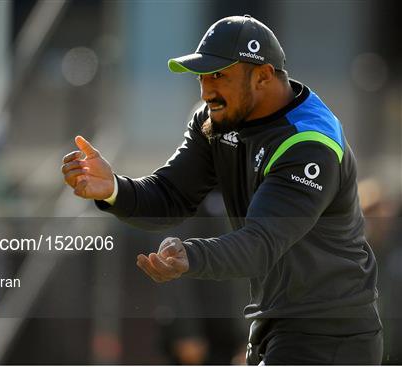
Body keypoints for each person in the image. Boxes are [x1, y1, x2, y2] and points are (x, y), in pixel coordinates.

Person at [61, 15, 382, 365]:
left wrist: (191, 256)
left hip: (332, 335)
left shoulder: (309, 144)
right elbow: (171, 195)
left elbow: (260, 245)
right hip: (273, 325)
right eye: (202, 76)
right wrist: (114, 189)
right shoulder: (215, 121)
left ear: (263, 76)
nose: (205, 90)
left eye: (218, 75)